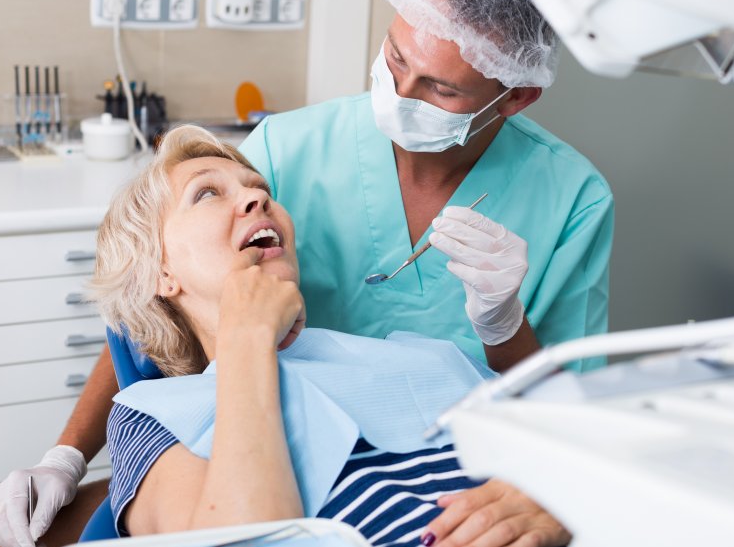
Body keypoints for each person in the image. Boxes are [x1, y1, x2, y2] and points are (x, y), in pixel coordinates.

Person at [0, 0, 613, 544]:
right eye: (395, 58)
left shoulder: (557, 215)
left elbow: (573, 427)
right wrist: (68, 455)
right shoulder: (288, 151)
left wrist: (509, 341)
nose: (399, 94)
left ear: (515, 98)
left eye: (441, 88)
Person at [95, 124, 570, 547]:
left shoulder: (424, 357)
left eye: (259, 188)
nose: (257, 198)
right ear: (159, 271)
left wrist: (560, 500)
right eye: (206, 194)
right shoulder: (150, 418)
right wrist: (247, 335)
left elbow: (581, 452)